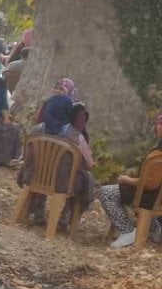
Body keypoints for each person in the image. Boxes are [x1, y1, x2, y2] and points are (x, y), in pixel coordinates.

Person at [18, 94, 96, 228]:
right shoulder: (75, 136)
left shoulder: (35, 131)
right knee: (86, 178)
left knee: (41, 169)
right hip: (62, 184)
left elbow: (26, 157)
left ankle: (36, 212)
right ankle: (65, 218)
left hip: (32, 177)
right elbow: (89, 164)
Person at [98, 114, 162, 247]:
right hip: (156, 196)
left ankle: (127, 231)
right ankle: (153, 228)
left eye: (159, 124)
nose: (157, 127)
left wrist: (128, 180)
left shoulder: (159, 154)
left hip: (151, 196)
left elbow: (150, 183)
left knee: (106, 192)